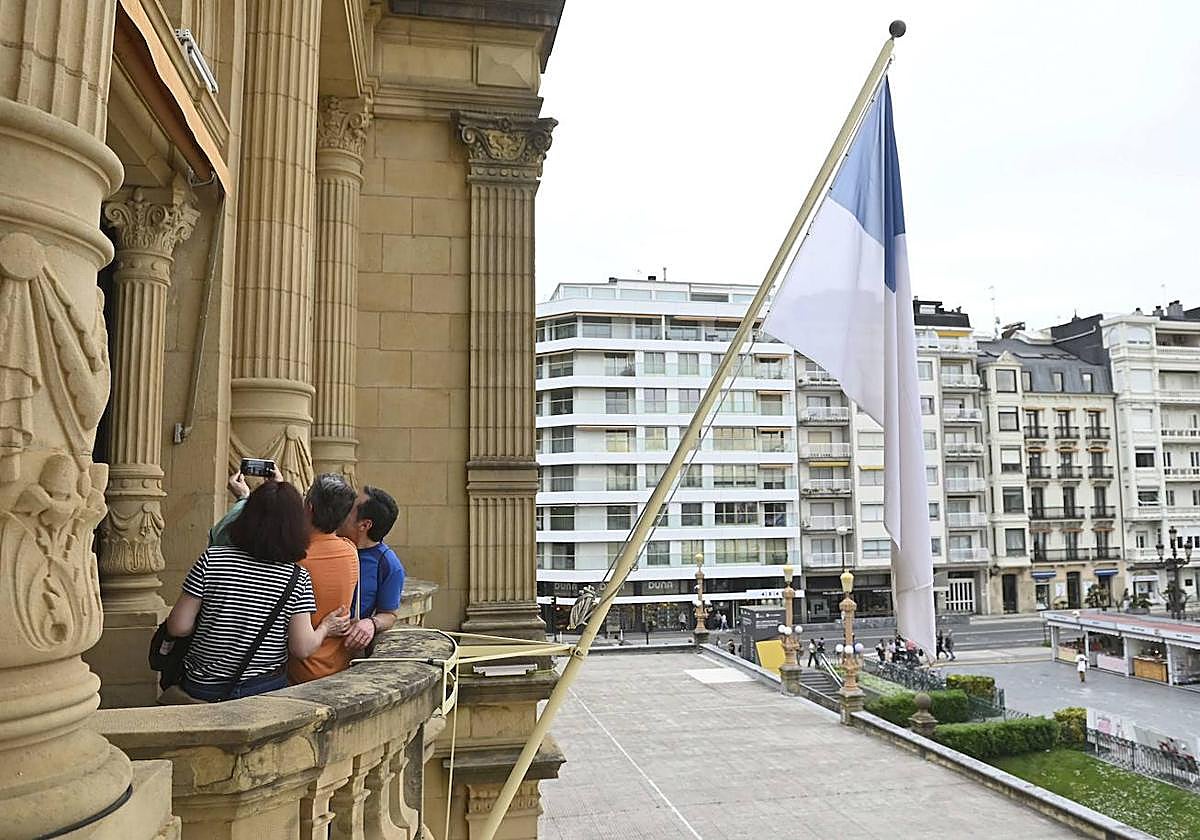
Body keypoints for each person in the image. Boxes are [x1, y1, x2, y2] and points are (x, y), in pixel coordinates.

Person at [163, 481, 350, 702]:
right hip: (264, 689)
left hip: (203, 685)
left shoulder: (212, 559)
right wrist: (326, 627)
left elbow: (178, 626)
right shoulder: (296, 578)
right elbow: (302, 647)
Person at [288, 474, 360, 685]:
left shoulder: (295, 558)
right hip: (339, 667)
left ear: (309, 508)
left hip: (298, 674)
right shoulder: (350, 551)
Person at [337, 486, 406, 652]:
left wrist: (372, 623)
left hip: (345, 655)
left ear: (365, 524)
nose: (341, 509)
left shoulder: (388, 564)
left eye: (350, 508)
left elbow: (389, 614)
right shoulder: (327, 542)